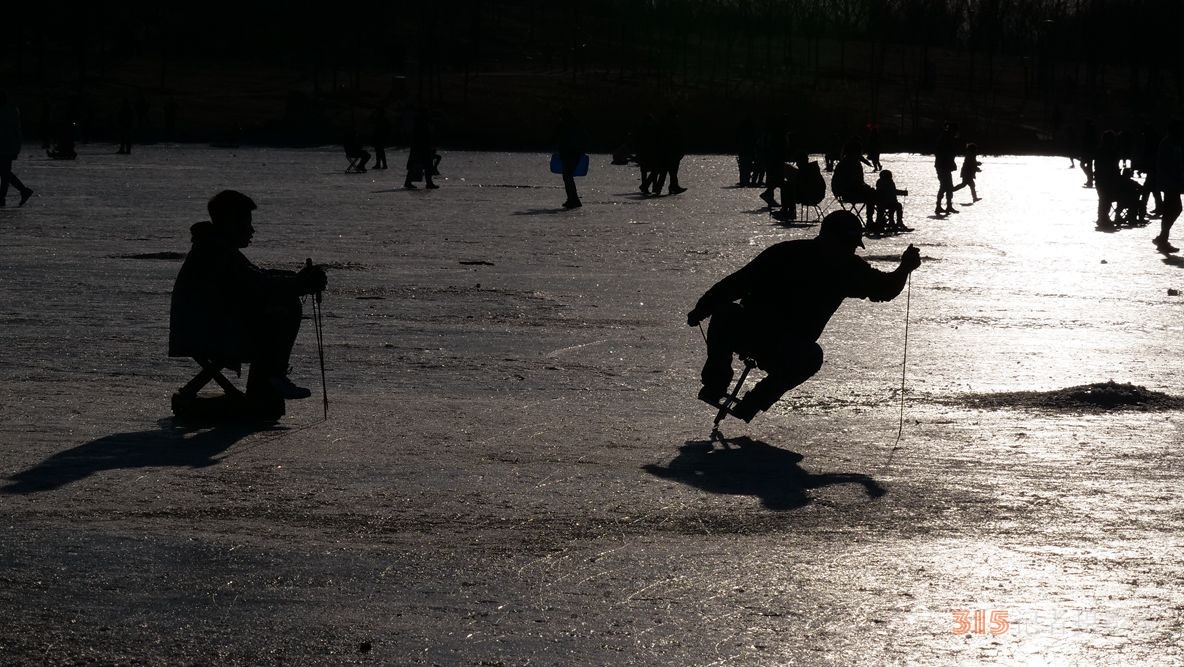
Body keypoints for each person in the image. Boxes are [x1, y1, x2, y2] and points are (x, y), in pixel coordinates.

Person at [687, 211, 921, 423]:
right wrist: (904, 268)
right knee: (809, 356)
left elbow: (736, 283)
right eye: (850, 243)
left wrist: (702, 308)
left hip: (761, 337)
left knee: (726, 312)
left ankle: (729, 389)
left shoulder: (787, 251)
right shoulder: (847, 267)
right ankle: (740, 393)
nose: (851, 249)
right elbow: (886, 289)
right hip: (783, 347)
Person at [169, 190, 328, 414]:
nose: (252, 230)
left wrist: (296, 279)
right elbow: (256, 283)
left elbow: (256, 275)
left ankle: (268, 381)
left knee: (283, 303)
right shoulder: (215, 250)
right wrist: (298, 284)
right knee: (284, 307)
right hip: (208, 331)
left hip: (212, 325)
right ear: (229, 222)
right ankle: (271, 375)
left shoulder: (218, 246)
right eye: (247, 222)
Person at [1153, 119, 1184, 252]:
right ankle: (1162, 237)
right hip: (1170, 182)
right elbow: (1169, 164)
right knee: (1175, 208)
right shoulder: (1168, 144)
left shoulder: (1172, 143)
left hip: (1172, 181)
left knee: (1172, 209)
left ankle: (1163, 237)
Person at [832, 139, 877, 227]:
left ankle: (873, 220)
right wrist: (867, 188)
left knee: (872, 193)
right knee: (873, 195)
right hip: (850, 193)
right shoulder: (853, 164)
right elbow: (856, 183)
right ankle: (871, 220)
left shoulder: (844, 162)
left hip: (843, 193)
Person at [0, 91, 34, 207]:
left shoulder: (9, 111)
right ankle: (22, 191)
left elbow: (15, 130)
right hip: (7, 146)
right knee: (5, 173)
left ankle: (3, 197)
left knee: (4, 173)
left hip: (6, 146)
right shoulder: (11, 110)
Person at [554, 108, 584, 208]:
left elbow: (561, 139)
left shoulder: (566, 126)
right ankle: (572, 199)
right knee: (568, 177)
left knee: (567, 177)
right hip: (573, 154)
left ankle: (573, 199)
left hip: (570, 154)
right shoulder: (575, 125)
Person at [934, 122, 959, 215]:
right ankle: (939, 206)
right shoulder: (946, 139)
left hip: (944, 166)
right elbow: (944, 153)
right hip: (942, 166)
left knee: (947, 186)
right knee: (945, 185)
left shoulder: (947, 138)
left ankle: (947, 206)